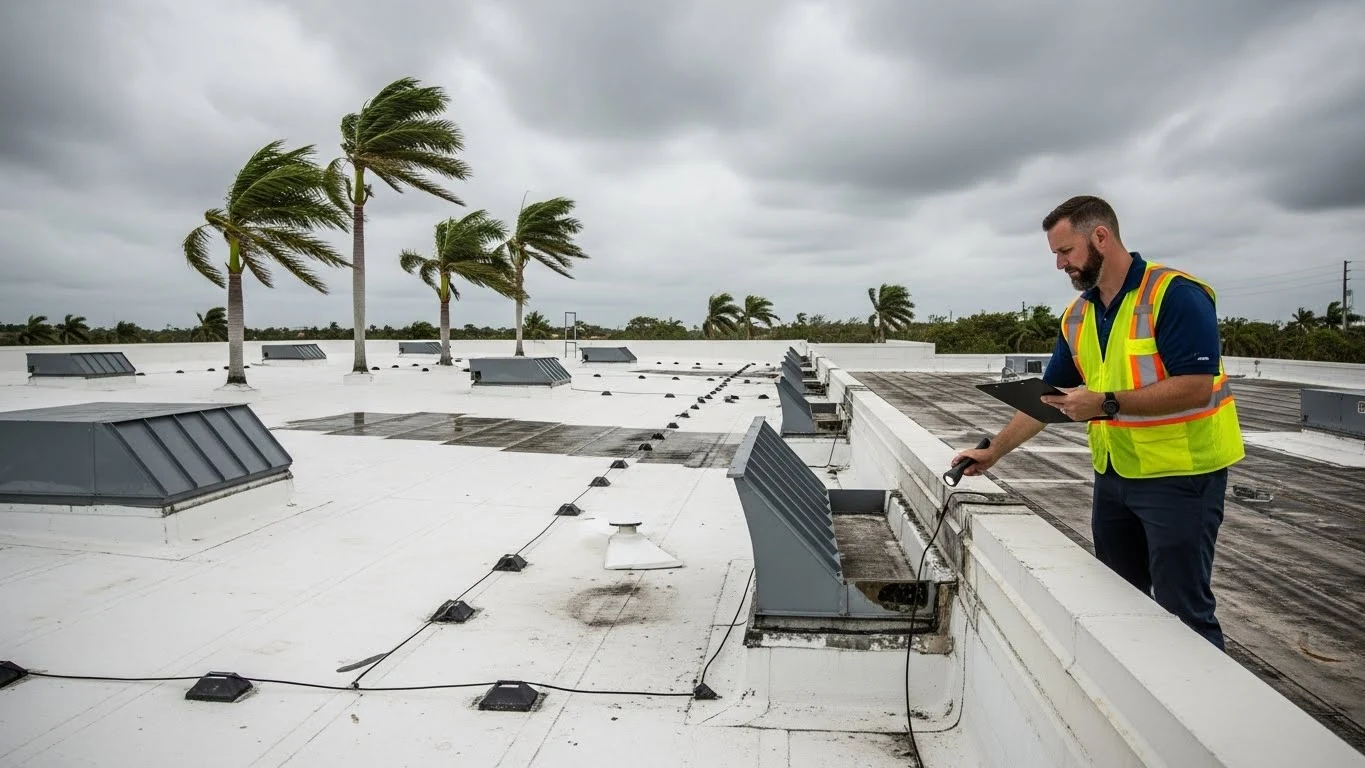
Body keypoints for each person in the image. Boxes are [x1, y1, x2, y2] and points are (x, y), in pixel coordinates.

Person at [950, 195, 1243, 650]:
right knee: (1119, 602)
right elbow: (1047, 401)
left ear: (1100, 237)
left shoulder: (1175, 295)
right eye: (1055, 255)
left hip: (1182, 477)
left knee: (1183, 610)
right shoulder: (1079, 314)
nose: (1060, 264)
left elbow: (1196, 387)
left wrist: (1105, 403)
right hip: (1114, 478)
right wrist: (993, 453)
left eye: (1066, 252)